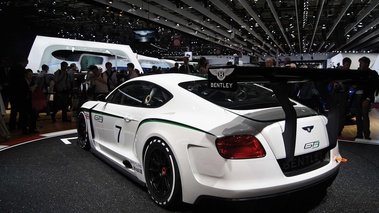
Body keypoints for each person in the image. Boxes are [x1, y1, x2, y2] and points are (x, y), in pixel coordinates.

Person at [353, 56, 378, 140]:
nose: (360, 64)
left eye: (362, 63)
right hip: (357, 96)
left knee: (364, 115)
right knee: (358, 116)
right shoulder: (357, 72)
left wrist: (368, 99)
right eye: (360, 63)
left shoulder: (372, 74)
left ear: (367, 64)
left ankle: (366, 134)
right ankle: (359, 133)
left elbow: (373, 87)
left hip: (365, 98)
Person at [331, 57, 351, 136]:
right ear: (343, 64)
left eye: (349, 65)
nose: (347, 66)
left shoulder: (350, 73)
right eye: (346, 65)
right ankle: (333, 128)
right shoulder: (338, 72)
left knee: (342, 113)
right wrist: (334, 83)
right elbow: (331, 80)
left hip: (344, 95)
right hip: (336, 94)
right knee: (333, 112)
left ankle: (339, 130)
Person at [8, 57, 29, 130]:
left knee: (13, 111)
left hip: (12, 92)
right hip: (20, 93)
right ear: (25, 62)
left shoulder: (12, 68)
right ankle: (21, 125)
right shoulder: (22, 70)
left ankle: (12, 126)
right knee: (22, 111)